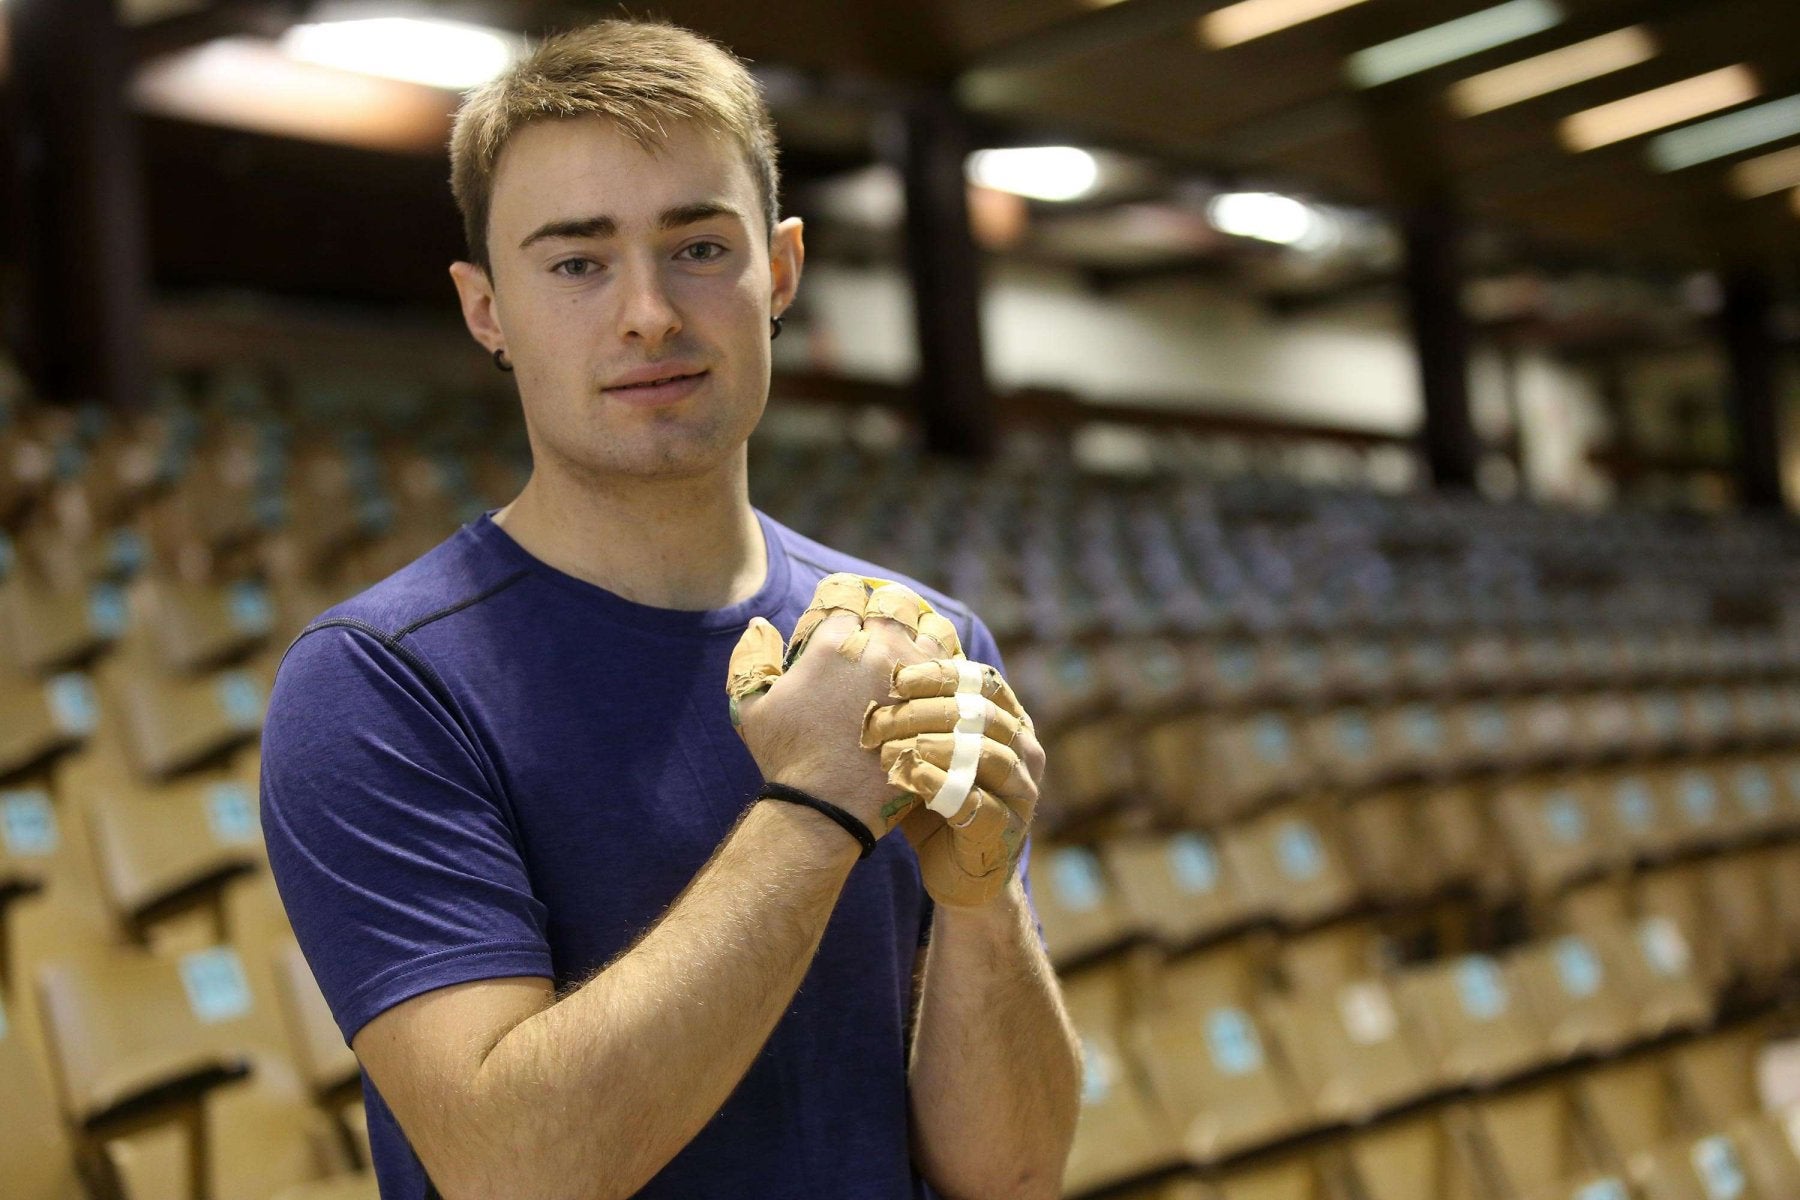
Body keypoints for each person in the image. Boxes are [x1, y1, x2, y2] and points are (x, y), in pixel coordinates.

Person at [258, 17, 1081, 1200]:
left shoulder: (913, 638)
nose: (647, 311)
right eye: (577, 263)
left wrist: (982, 907)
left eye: (698, 247)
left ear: (781, 270)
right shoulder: (378, 684)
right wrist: (813, 804)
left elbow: (1009, 1175)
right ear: (487, 310)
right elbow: (517, 1170)